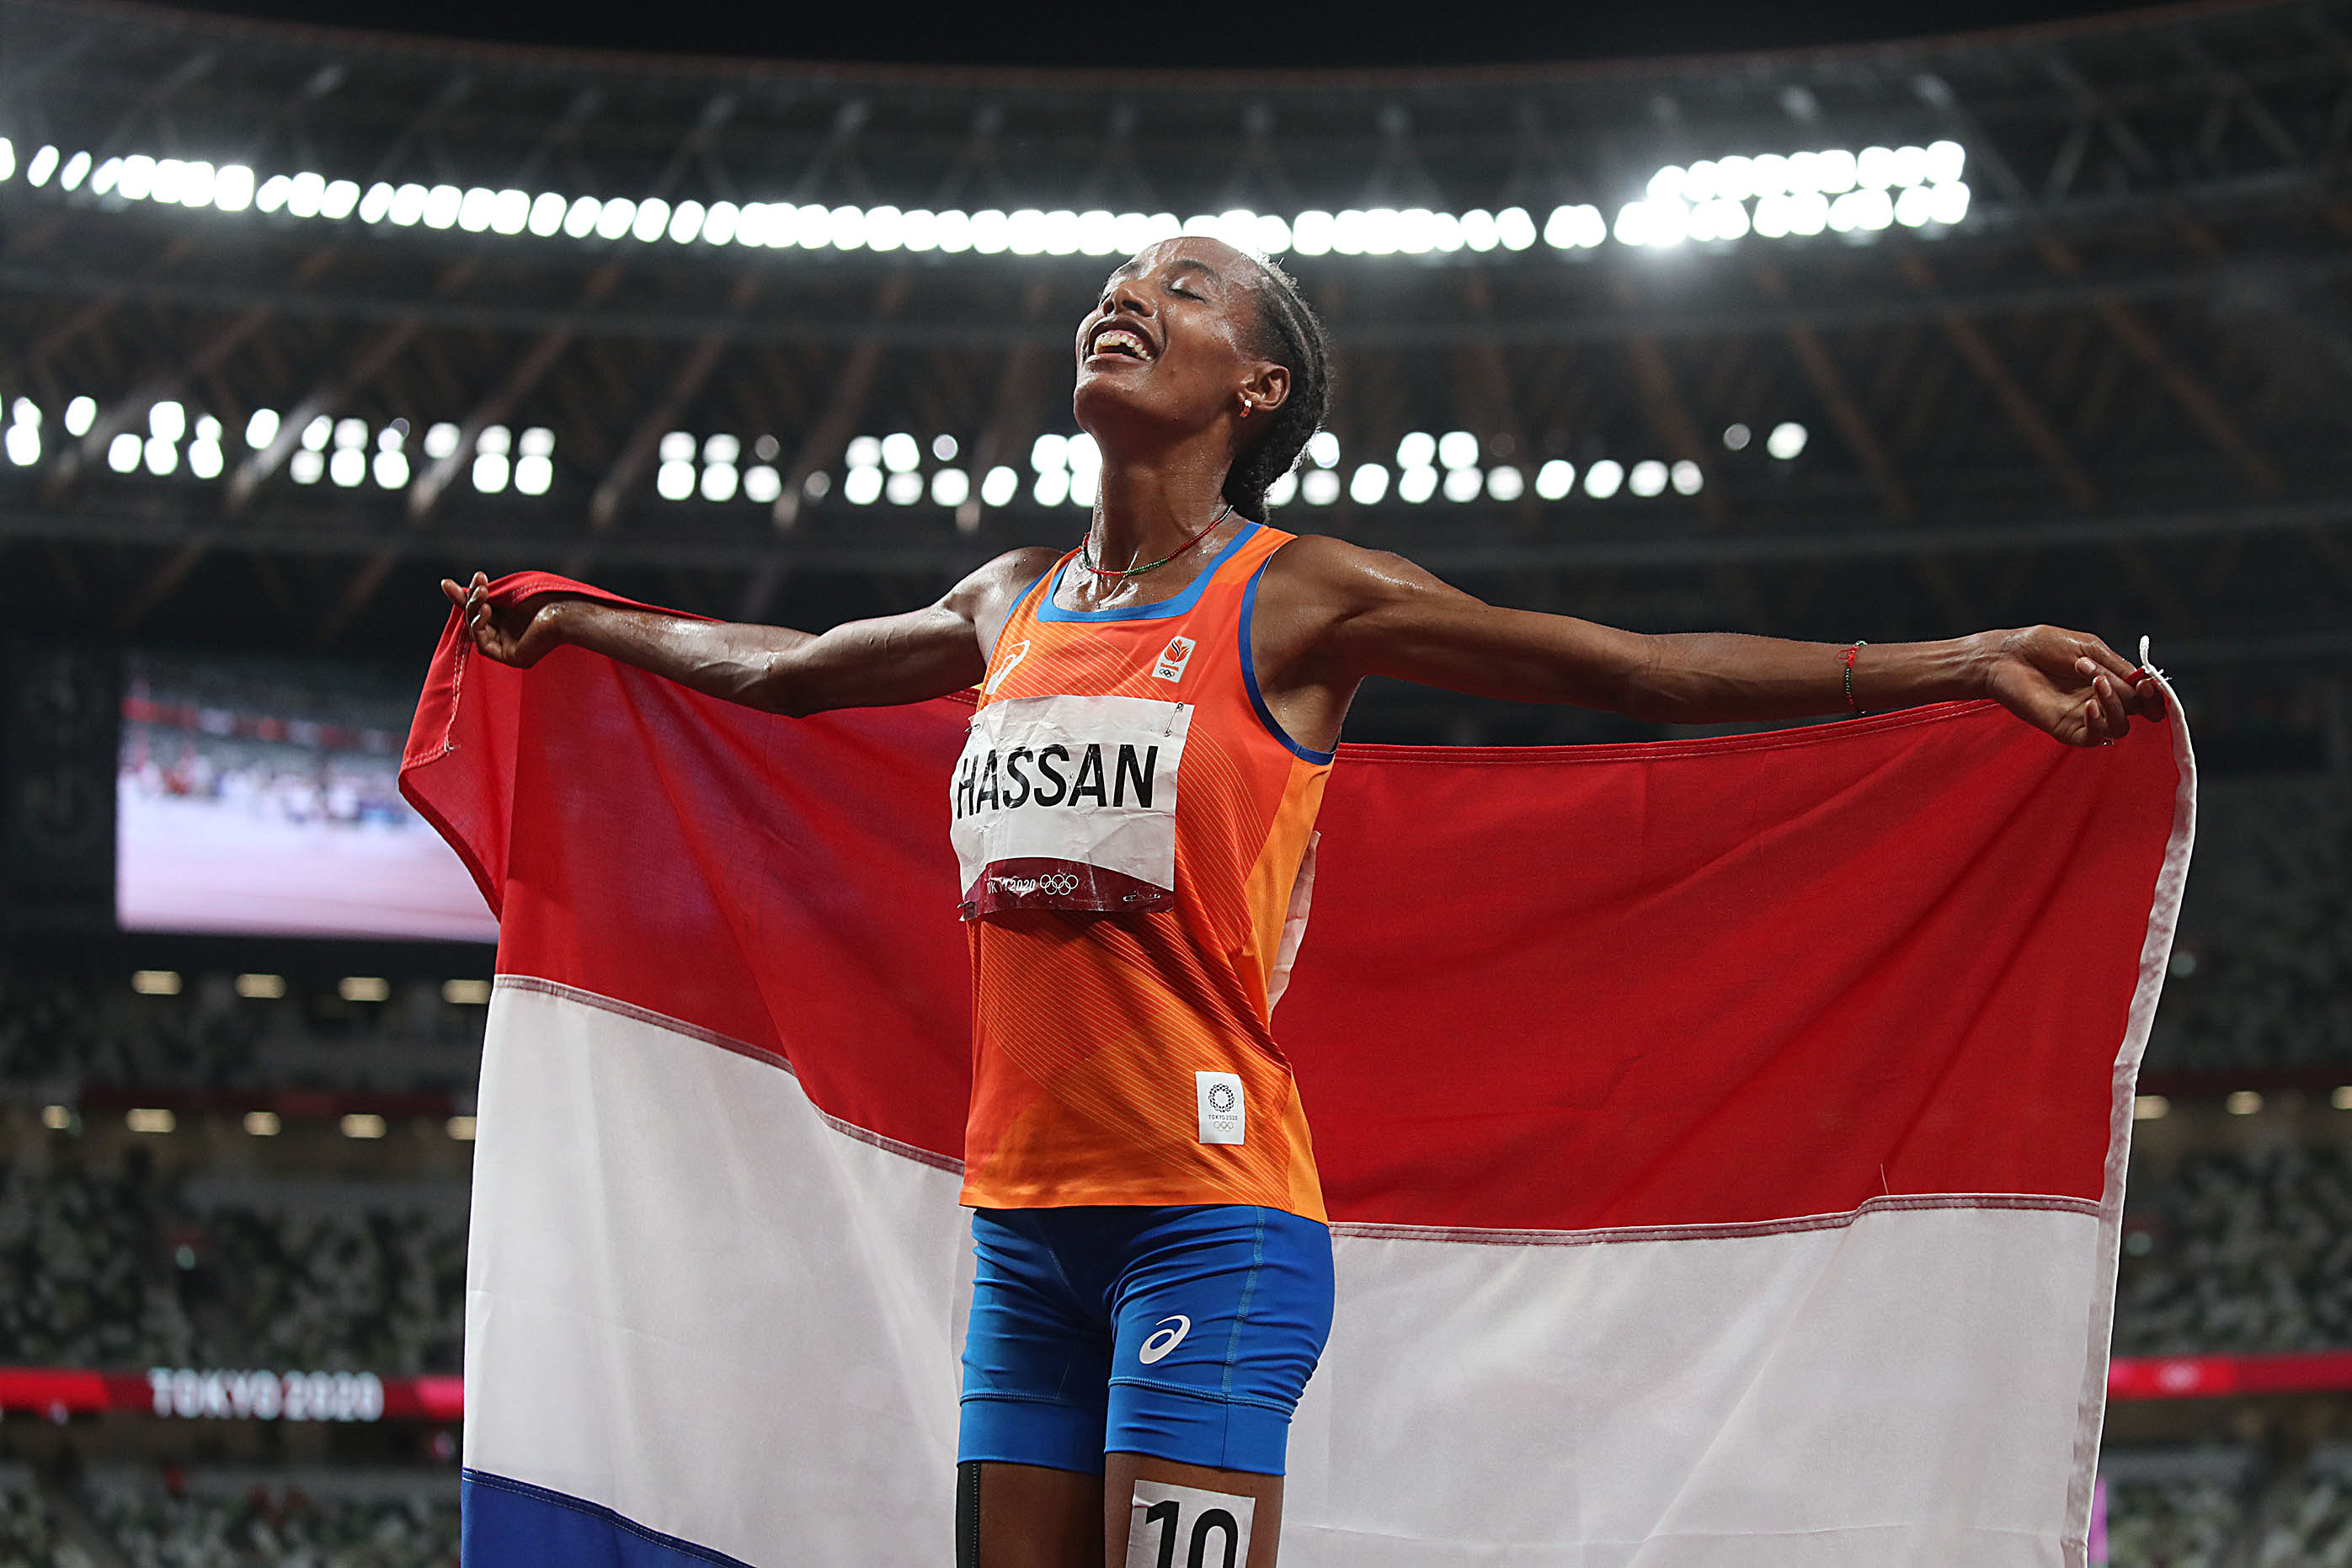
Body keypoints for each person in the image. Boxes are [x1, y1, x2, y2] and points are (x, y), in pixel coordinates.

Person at [441, 234, 2164, 1568]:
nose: (1125, 300)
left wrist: (1952, 661)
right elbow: (794, 668)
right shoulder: (1007, 600)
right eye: (1117, 284)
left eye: (1181, 291)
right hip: (1019, 1236)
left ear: (1254, 387)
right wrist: (584, 621)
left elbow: (1628, 667)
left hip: (1209, 1223)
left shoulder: (1300, 599)